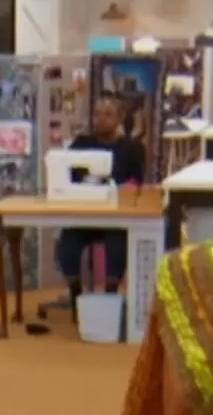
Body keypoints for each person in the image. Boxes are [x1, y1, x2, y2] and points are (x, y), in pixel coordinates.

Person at [54, 97, 145, 300]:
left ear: (119, 119)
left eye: (108, 114)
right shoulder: (81, 144)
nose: (101, 119)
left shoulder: (132, 149)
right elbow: (68, 173)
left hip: (116, 218)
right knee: (68, 241)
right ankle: (76, 292)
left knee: (117, 243)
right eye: (97, 114)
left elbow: (137, 184)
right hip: (84, 215)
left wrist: (119, 190)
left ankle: (110, 296)